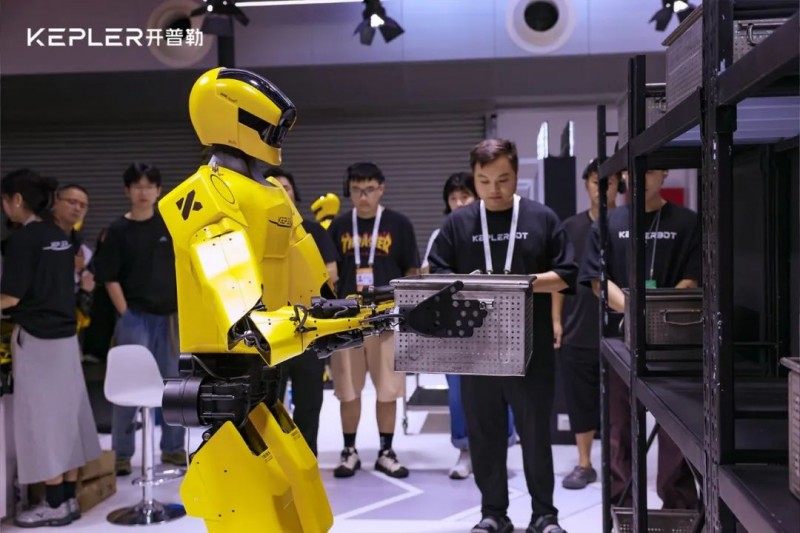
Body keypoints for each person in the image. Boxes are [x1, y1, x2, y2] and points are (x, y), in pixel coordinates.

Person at [428, 139, 576, 533]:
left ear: (516, 174)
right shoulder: (458, 224)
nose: (494, 189)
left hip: (531, 350)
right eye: (484, 181)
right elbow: (437, 273)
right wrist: (469, 285)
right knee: (485, 436)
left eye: (503, 179)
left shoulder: (541, 218)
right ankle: (493, 514)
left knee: (535, 435)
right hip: (475, 352)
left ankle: (544, 515)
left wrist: (520, 284)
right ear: (474, 178)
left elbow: (567, 274)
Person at [579, 168, 700, 509]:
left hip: (674, 340)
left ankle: (677, 504)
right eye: (635, 170)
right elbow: (598, 281)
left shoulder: (687, 222)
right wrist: (637, 312)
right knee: (619, 426)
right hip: (620, 340)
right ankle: (623, 502)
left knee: (675, 427)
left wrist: (659, 315)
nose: (642, 178)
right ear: (623, 174)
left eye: (651, 170)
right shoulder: (607, 222)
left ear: (665, 173)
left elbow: (692, 278)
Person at [0, 169, 101, 527]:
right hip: (65, 338)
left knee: (41, 423)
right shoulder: (60, 238)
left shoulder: (23, 240)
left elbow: (11, 297)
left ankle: (54, 503)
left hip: (37, 340)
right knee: (67, 418)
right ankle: (68, 500)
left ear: (16, 200)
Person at [422, 171, 517, 480]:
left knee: (501, 391)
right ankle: (465, 450)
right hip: (456, 327)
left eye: (465, 196)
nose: (459, 202)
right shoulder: (441, 234)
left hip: (498, 323)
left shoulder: (497, 229)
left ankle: (500, 449)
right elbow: (428, 275)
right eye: (453, 198)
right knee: (459, 394)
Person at [327, 161, 420, 479]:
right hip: (348, 322)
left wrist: (408, 313)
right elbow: (328, 274)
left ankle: (386, 451)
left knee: (388, 390)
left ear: (381, 189)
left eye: (369, 190)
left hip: (386, 320)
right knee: (348, 390)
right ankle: (349, 450)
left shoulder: (399, 224)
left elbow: (412, 271)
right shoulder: (339, 226)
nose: (363, 197)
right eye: (356, 190)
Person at [93, 163, 186, 476]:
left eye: (149, 186)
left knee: (173, 386)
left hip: (170, 319)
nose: (143, 192)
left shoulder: (171, 227)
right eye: (137, 186)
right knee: (129, 385)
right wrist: (126, 313)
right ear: (127, 191)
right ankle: (121, 454)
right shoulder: (117, 231)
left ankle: (173, 448)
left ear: (158, 191)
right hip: (135, 318)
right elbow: (108, 277)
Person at [552, 160, 621, 490]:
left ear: (619, 185)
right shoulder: (570, 227)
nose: (602, 188)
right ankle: (584, 463)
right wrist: (556, 320)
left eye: (609, 182)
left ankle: (619, 466)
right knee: (580, 400)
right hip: (578, 326)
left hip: (620, 329)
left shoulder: (626, 223)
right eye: (596, 181)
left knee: (619, 403)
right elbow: (560, 278)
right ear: (586, 184)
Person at [265, 165, 339, 456]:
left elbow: (331, 274)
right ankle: (275, 459)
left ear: (295, 193)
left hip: (308, 328)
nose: (281, 191)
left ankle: (307, 457)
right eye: (273, 187)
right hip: (271, 331)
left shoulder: (313, 231)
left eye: (286, 187)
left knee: (309, 401)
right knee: (269, 402)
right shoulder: (258, 233)